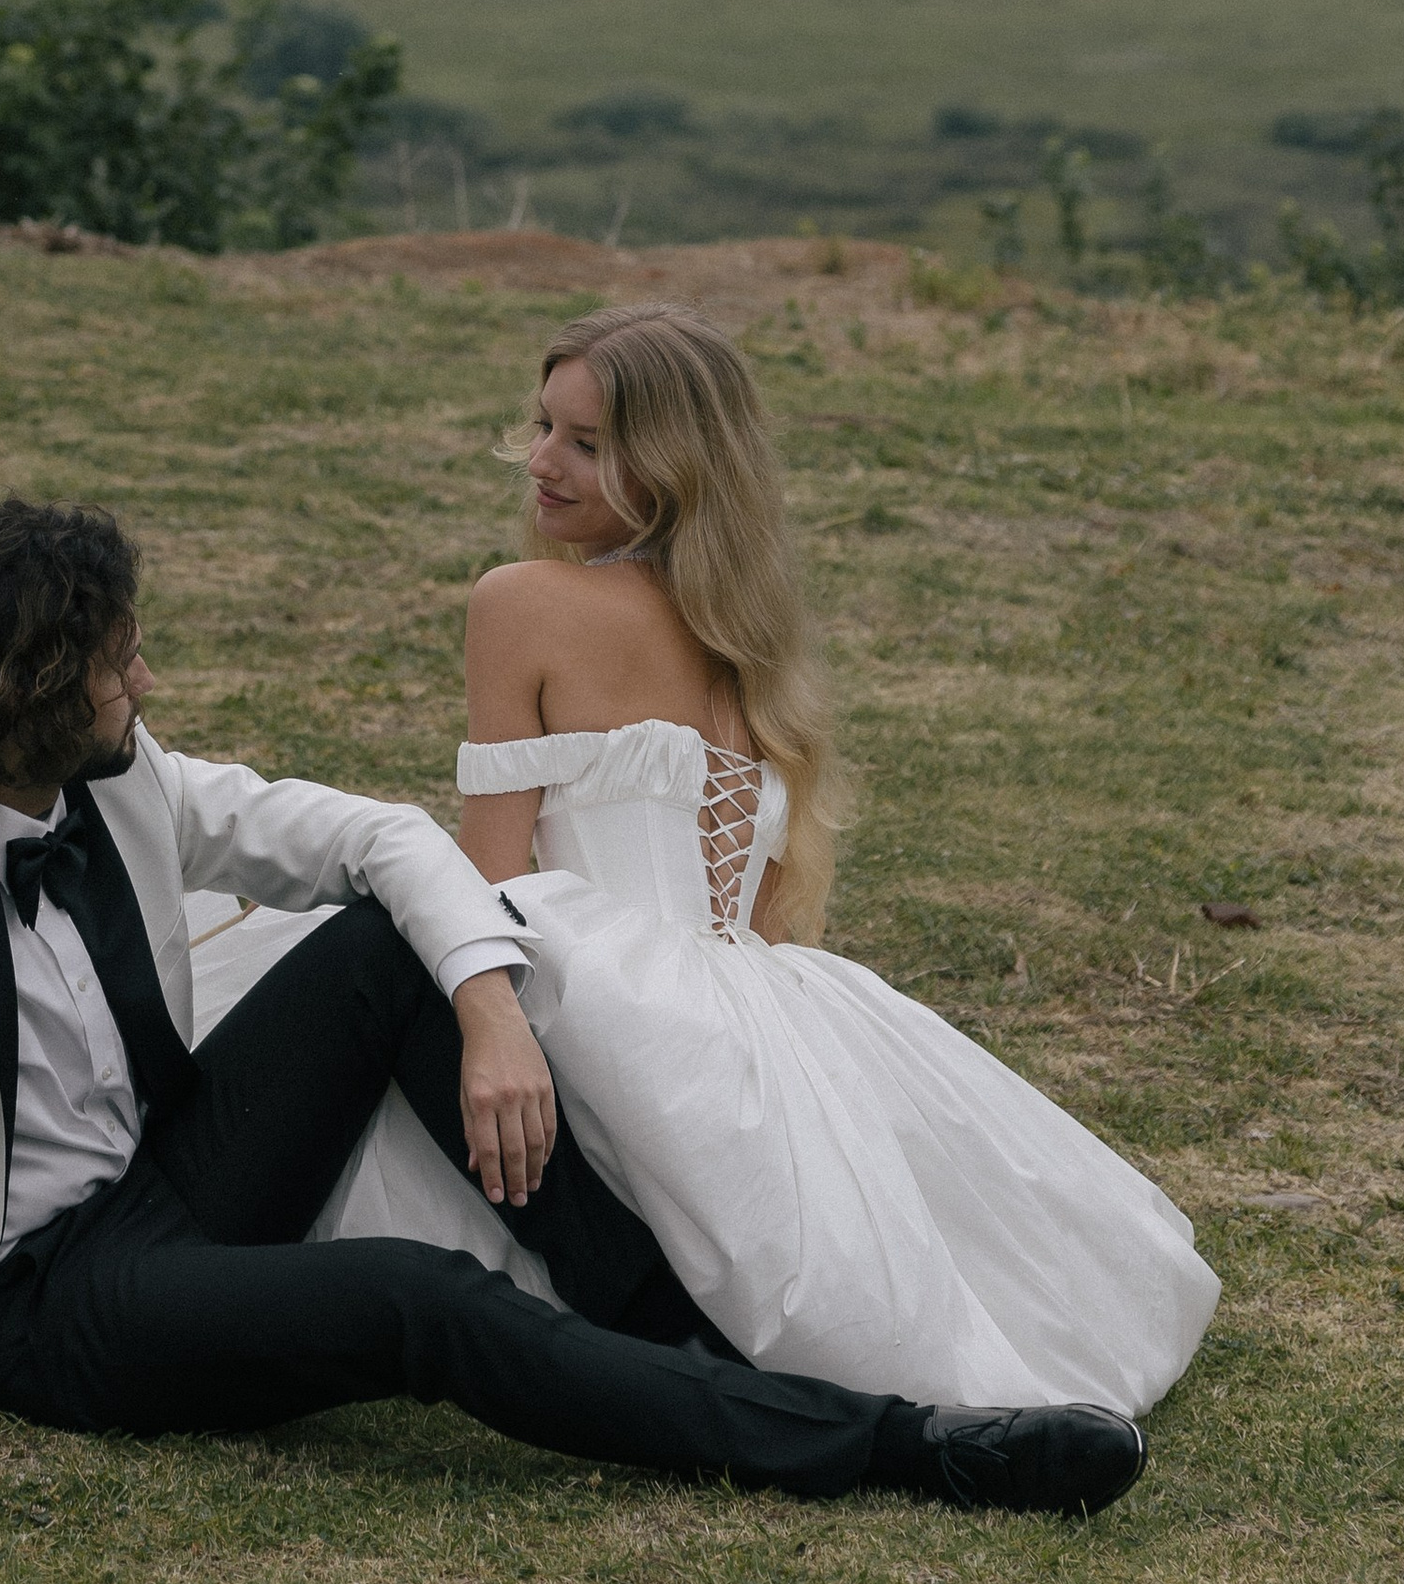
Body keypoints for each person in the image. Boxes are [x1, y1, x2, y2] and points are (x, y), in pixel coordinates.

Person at [0, 494, 1145, 1513]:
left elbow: (374, 838)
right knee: (414, 1302)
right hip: (30, 1305)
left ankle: (674, 1353)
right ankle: (903, 1454)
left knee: (388, 944)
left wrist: (491, 1011)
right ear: (21, 690)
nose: (149, 687)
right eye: (122, 664)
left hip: (174, 1179)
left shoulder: (125, 782)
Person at [293, 306, 1218, 1417]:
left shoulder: (522, 600)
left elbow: (487, 879)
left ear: (675, 467)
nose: (541, 461)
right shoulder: (746, 635)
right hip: (751, 992)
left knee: (327, 977)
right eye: (542, 425)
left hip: (588, 973)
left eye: (586, 444)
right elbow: (764, 910)